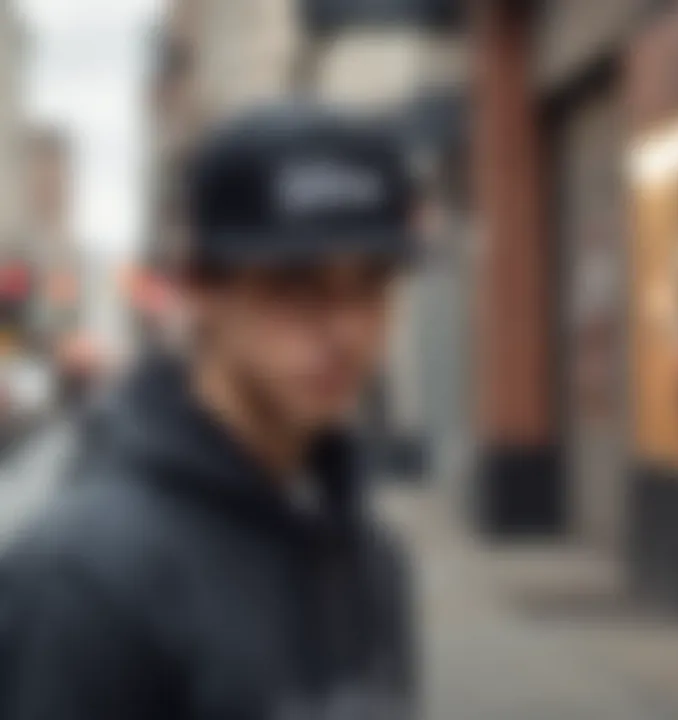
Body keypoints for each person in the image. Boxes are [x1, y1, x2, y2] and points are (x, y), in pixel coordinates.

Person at [0, 104, 419, 719]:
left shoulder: (366, 555)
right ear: (200, 290)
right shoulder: (85, 579)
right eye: (297, 287)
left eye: (371, 286)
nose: (345, 330)